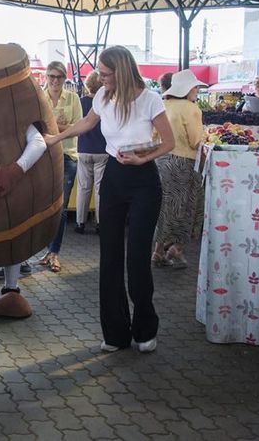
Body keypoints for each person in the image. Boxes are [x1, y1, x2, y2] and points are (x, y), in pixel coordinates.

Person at [45, 45, 175, 354]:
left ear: (122, 70)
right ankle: (115, 333)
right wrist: (56, 138)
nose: (100, 79)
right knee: (110, 256)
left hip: (144, 181)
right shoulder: (102, 97)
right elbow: (86, 124)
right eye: (100, 75)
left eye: (105, 74)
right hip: (114, 175)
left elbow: (169, 142)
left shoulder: (150, 99)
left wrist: (145, 159)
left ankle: (145, 330)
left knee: (137, 258)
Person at [152, 69, 205, 270]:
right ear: (188, 89)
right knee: (186, 208)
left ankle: (158, 250)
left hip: (161, 161)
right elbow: (195, 141)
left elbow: (154, 135)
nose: (197, 91)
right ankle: (176, 248)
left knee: (165, 208)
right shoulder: (191, 109)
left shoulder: (163, 105)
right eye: (195, 87)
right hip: (183, 163)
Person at [38, 61, 82, 273]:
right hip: (43, 158)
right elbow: (34, 129)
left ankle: (54, 252)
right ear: (46, 77)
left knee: (61, 209)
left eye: (59, 77)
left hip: (67, 156)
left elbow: (80, 128)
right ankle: (46, 250)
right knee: (43, 207)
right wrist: (63, 126)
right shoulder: (40, 98)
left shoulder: (72, 98)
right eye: (51, 76)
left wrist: (55, 126)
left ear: (65, 79)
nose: (55, 81)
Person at [74, 70, 108, 235]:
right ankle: (100, 223)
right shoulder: (105, 102)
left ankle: (80, 222)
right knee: (100, 188)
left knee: (83, 187)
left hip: (83, 148)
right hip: (102, 150)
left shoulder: (80, 102)